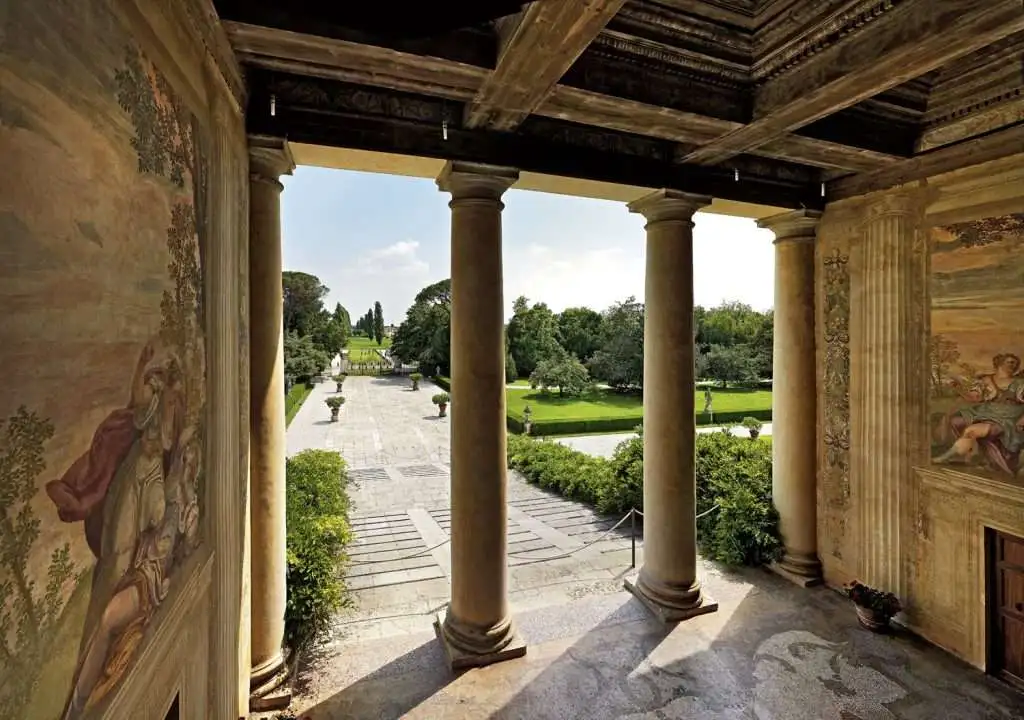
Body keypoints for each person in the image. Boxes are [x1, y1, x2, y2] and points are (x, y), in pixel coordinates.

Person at [934, 353, 1024, 476]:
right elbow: (975, 398)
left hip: (1008, 419)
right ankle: (968, 454)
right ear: (1000, 363)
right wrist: (958, 388)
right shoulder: (986, 380)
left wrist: (1022, 420)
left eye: (1015, 363)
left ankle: (946, 457)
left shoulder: (1019, 383)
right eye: (1010, 362)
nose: (1013, 365)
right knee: (956, 421)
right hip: (985, 413)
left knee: (971, 430)